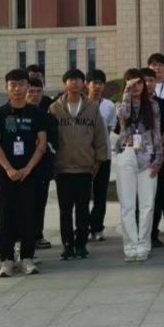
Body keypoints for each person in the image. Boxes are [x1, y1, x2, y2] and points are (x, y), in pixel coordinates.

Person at [0, 69, 48, 276]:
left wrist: (28, 168)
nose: (17, 89)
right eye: (13, 85)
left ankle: (27, 258)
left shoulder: (36, 114)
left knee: (29, 215)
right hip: (6, 174)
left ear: (27, 87)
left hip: (30, 173)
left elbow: (42, 144)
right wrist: (8, 168)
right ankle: (6, 260)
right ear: (7, 87)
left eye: (21, 84)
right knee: (5, 216)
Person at [49, 69, 109, 261]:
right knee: (65, 210)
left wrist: (99, 160)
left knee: (83, 209)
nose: (74, 83)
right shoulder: (55, 108)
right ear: (64, 84)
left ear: (84, 83)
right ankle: (67, 245)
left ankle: (81, 245)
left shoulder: (92, 108)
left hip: (85, 167)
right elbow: (48, 137)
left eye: (77, 80)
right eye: (70, 80)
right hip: (63, 167)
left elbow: (100, 136)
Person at [114, 68, 163, 262]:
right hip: (126, 153)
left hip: (147, 155)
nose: (136, 87)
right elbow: (124, 115)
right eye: (131, 83)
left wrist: (158, 159)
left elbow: (157, 133)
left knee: (147, 204)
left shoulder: (153, 105)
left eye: (139, 83)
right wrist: (127, 92)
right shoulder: (121, 104)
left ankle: (143, 244)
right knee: (127, 204)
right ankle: (130, 245)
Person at [143, 67, 164, 248]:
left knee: (157, 196)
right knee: (141, 198)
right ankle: (141, 233)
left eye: (151, 80)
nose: (148, 84)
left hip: (158, 157)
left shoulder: (163, 104)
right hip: (139, 158)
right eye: (144, 80)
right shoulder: (132, 104)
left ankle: (153, 233)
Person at [86, 69, 117, 242]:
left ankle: (97, 227)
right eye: (94, 83)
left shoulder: (109, 106)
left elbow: (109, 130)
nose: (97, 87)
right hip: (83, 156)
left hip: (104, 156)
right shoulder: (81, 104)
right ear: (87, 84)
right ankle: (83, 226)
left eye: (100, 83)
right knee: (83, 194)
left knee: (100, 193)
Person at [28, 76, 58, 253]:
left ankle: (37, 235)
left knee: (39, 204)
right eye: (31, 91)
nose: (34, 95)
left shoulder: (48, 118)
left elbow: (54, 144)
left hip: (41, 169)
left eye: (38, 92)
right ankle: (21, 237)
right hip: (20, 169)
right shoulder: (14, 116)